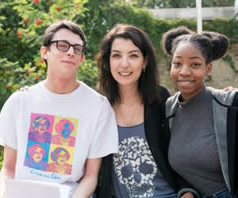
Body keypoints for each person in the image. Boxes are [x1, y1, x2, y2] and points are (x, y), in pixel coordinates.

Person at [0, 20, 118, 198]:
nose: (71, 52)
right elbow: (8, 169)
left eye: (77, 48)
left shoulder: (98, 107)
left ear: (82, 58)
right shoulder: (20, 101)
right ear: (44, 52)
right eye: (62, 45)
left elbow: (90, 176)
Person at [94, 24, 200, 198]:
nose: (124, 64)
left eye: (133, 55)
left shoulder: (160, 99)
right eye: (116, 55)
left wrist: (187, 192)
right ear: (107, 62)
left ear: (145, 62)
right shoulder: (98, 105)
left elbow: (181, 156)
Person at [162, 26, 238, 198]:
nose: (184, 72)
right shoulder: (168, 109)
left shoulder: (229, 104)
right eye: (177, 64)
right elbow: (178, 170)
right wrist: (186, 191)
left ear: (208, 69)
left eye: (195, 64)